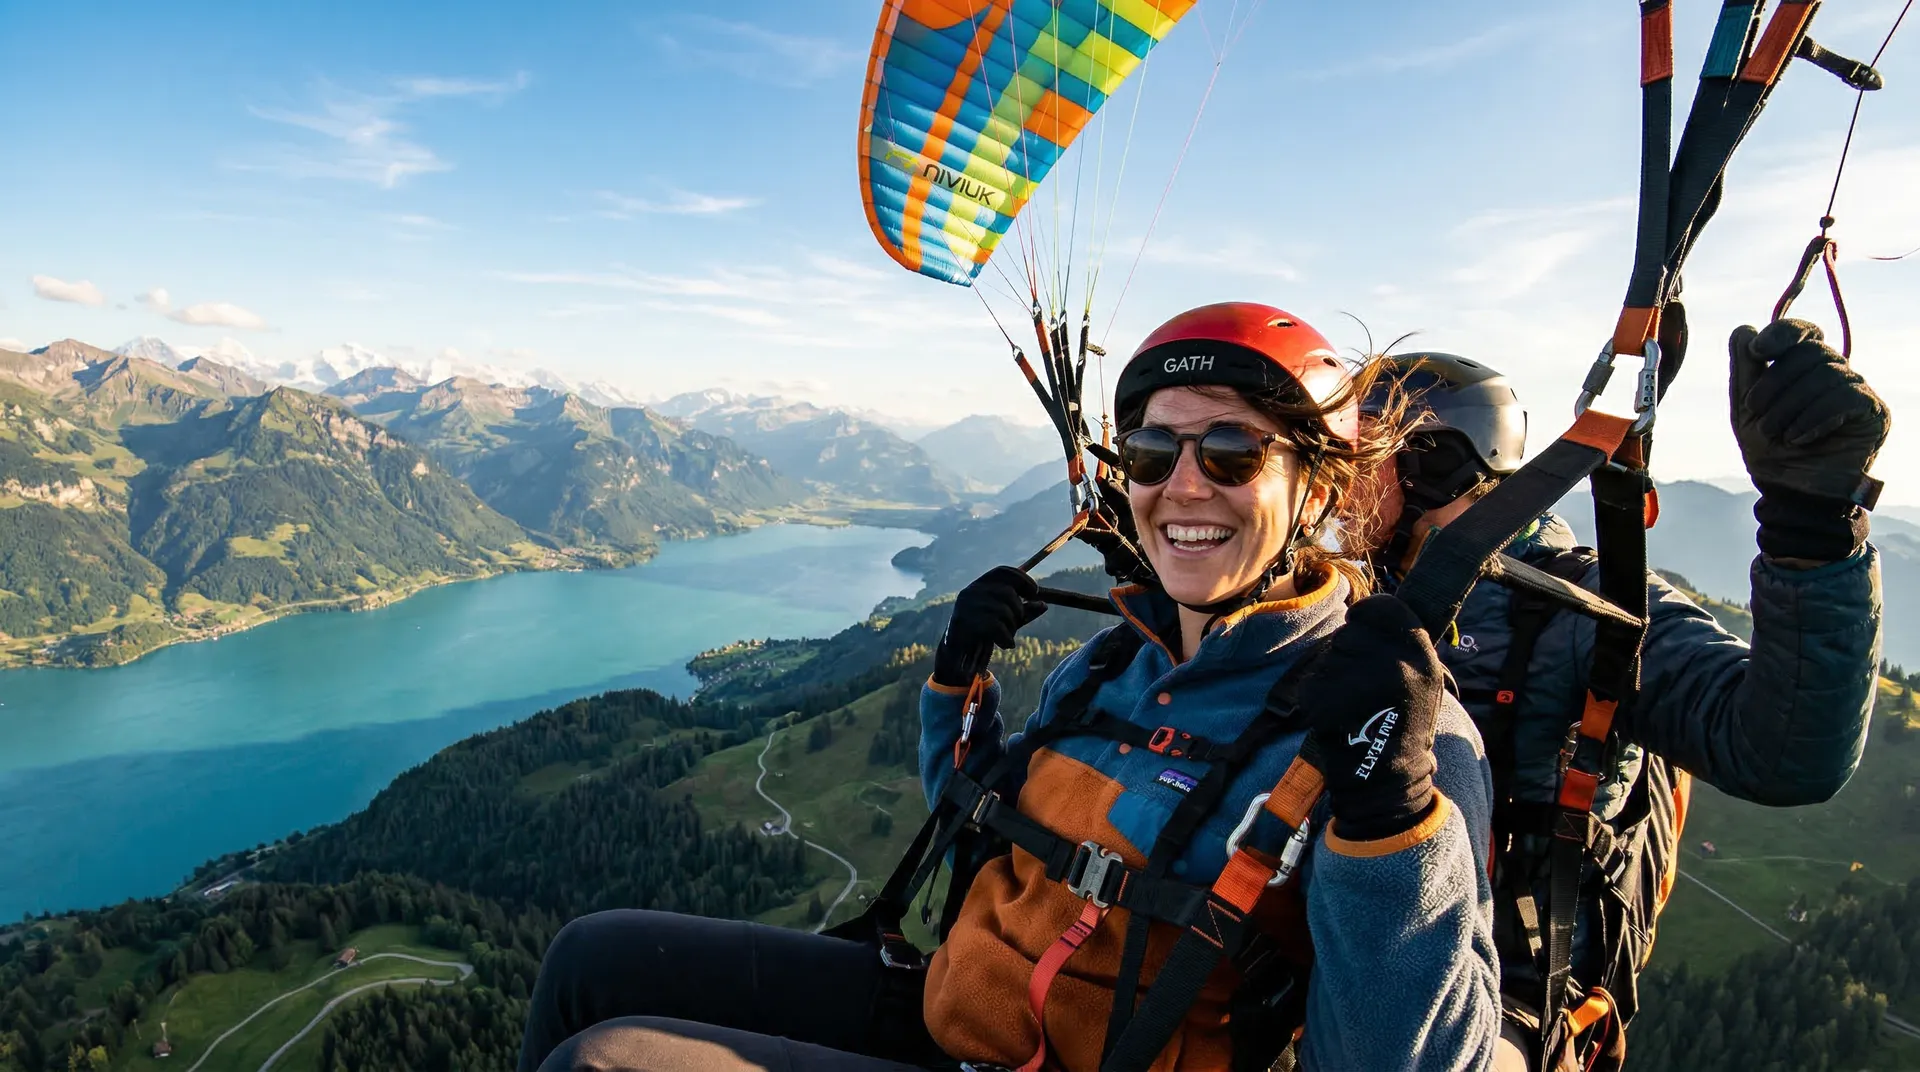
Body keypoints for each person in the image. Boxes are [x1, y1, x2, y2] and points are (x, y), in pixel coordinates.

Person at [516, 302, 1503, 1072]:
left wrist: (1389, 820)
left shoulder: (1389, 729)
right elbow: (979, 810)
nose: (1184, 484)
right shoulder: (1117, 660)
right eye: (1155, 452)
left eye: (1234, 451)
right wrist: (955, 680)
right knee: (588, 961)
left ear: (1320, 488)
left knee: (602, 1062)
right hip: (958, 1005)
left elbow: (1399, 1054)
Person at [1353, 319, 1888, 1072]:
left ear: (1432, 466)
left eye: (1360, 452)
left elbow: (1783, 754)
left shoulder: (1588, 608)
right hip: (1367, 937)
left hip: (1512, 986)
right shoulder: (1358, 591)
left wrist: (1814, 529)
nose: (1332, 479)